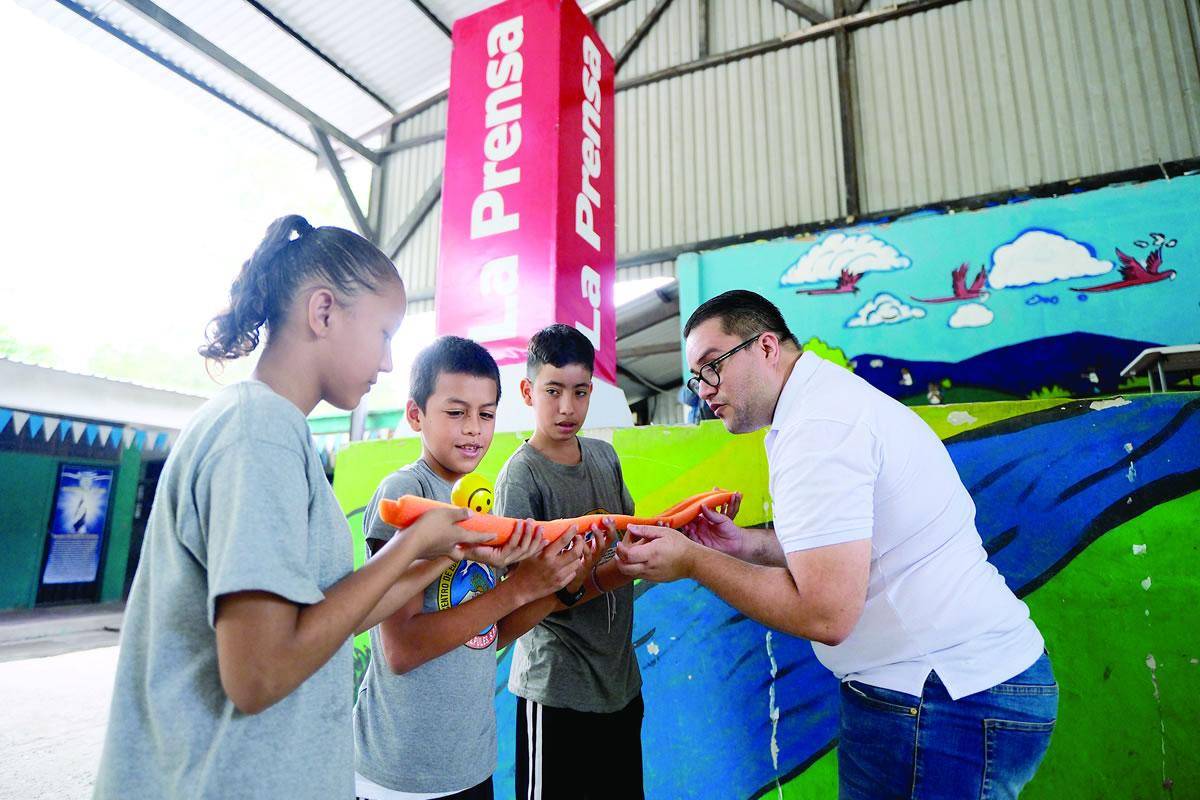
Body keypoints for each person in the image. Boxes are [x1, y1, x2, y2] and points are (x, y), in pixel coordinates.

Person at [93, 216, 487, 799]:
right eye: (384, 333)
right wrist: (409, 544)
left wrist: (439, 554)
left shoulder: (277, 433)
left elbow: (331, 616)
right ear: (323, 312)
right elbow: (260, 673)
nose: (386, 362)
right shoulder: (259, 433)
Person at [617, 289, 1057, 799]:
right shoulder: (821, 405)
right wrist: (743, 545)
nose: (703, 391)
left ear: (766, 347)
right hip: (957, 684)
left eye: (712, 366)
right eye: (696, 377)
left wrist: (694, 562)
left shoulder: (818, 429)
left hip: (941, 696)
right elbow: (844, 549)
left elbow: (826, 614)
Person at [353, 335, 606, 800]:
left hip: (470, 764)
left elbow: (487, 638)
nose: (473, 429)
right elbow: (401, 649)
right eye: (456, 412)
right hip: (405, 774)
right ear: (415, 415)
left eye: (486, 415)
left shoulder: (479, 499)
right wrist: (517, 589)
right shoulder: (407, 491)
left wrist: (554, 581)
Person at [494, 324, 645, 799]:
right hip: (556, 690)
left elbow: (628, 540)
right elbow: (518, 601)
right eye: (553, 391)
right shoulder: (520, 477)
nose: (567, 407)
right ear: (527, 392)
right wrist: (587, 572)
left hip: (621, 685)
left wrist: (681, 532)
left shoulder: (604, 457)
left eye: (580, 392)